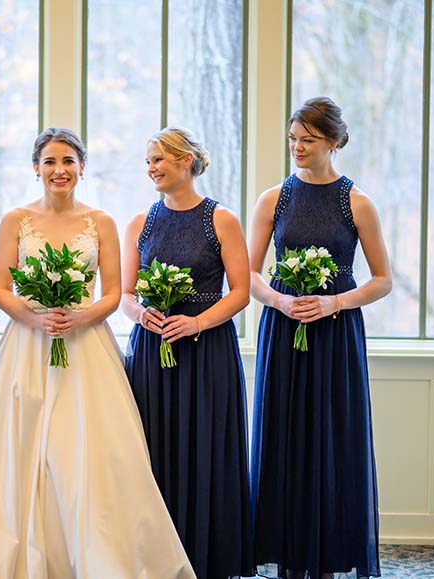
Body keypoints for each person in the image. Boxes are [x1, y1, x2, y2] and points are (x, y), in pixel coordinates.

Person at [0, 127, 195, 578]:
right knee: (19, 450)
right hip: (27, 344)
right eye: (50, 162)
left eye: (69, 161)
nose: (60, 170)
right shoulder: (16, 219)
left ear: (82, 167)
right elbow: (1, 289)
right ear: (36, 168)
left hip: (86, 343)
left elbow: (113, 292)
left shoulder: (101, 221)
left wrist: (82, 317)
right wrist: (35, 318)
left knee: (91, 451)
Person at [248, 97, 392, 578]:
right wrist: (280, 301)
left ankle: (328, 556)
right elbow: (248, 276)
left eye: (307, 140)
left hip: (335, 333)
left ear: (333, 142)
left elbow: (382, 280)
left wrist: (335, 303)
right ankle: (287, 554)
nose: (297, 147)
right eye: (293, 139)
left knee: (332, 437)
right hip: (283, 329)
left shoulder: (358, 202)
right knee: (283, 434)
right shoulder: (273, 199)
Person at [121, 126, 255, 578]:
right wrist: (141, 314)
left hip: (207, 350)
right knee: (153, 446)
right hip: (152, 350)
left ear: (186, 161)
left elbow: (240, 293)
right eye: (148, 161)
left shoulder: (222, 219)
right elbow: (125, 295)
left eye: (158, 159)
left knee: (206, 448)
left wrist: (197, 322)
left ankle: (208, 557)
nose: (151, 169)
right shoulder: (139, 223)